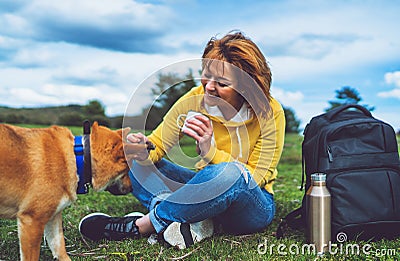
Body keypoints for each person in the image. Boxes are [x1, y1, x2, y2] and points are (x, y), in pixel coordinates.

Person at [79, 31, 286, 249]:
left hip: (250, 204)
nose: (209, 87)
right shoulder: (194, 99)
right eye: (207, 75)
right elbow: (157, 144)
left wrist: (210, 152)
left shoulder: (270, 113)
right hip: (204, 190)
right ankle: (194, 219)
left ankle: (143, 225)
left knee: (231, 173)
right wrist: (142, 148)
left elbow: (256, 177)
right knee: (136, 163)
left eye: (222, 83)